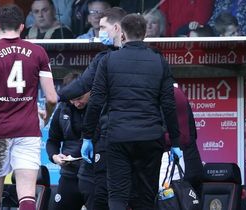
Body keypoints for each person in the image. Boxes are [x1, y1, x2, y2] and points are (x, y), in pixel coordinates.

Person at [81, 14, 181, 210]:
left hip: (118, 137)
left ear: (123, 34)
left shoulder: (109, 60)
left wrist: (87, 137)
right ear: (144, 34)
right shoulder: (159, 61)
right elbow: (169, 104)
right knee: (145, 197)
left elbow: (96, 101)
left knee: (117, 195)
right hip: (150, 137)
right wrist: (175, 142)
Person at [0, 4, 57, 210]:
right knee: (27, 196)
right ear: (22, 26)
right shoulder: (38, 52)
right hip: (27, 131)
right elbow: (52, 98)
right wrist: (46, 118)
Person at [58, 7, 127, 210]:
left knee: (99, 188)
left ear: (116, 27)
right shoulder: (148, 56)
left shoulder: (105, 59)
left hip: (110, 135)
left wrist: (55, 96)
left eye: (102, 27)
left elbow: (84, 87)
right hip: (134, 137)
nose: (99, 32)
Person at [47, 72, 94, 210]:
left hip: (94, 176)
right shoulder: (62, 110)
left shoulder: (100, 109)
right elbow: (52, 141)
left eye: (80, 98)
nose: (76, 103)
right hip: (69, 175)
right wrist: (55, 156)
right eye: (72, 100)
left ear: (89, 90)